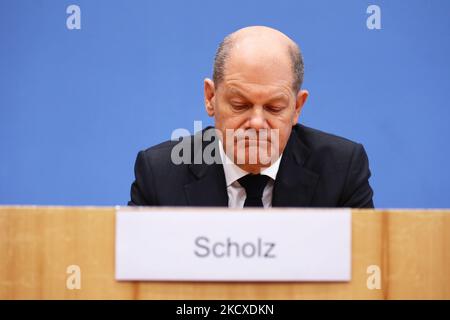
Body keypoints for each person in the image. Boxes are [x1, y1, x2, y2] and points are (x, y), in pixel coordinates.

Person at [128, 26, 374, 208]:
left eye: (274, 108)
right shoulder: (159, 174)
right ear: (210, 97)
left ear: (297, 107)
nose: (257, 122)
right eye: (240, 105)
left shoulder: (342, 170)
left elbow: (367, 266)